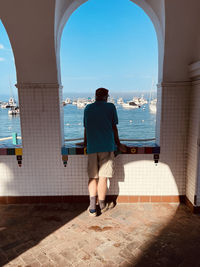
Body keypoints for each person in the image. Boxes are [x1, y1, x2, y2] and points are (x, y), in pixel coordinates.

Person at [83, 88, 126, 216]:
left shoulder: (87, 108)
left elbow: (86, 129)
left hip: (92, 147)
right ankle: (102, 205)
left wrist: (85, 143)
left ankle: (92, 208)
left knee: (92, 177)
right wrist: (118, 144)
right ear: (106, 96)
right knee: (103, 177)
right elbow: (114, 128)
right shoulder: (111, 107)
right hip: (107, 147)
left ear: (95, 96)